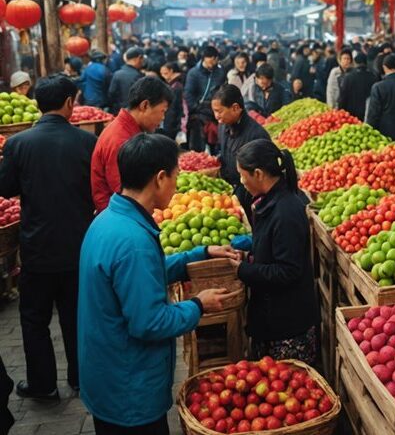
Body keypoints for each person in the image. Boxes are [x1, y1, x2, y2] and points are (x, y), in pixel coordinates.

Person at [79, 134, 239, 435]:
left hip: (106, 377)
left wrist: (199, 254)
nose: (177, 185)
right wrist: (198, 305)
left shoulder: (107, 220)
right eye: (176, 176)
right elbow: (149, 323)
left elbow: (140, 276)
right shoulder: (133, 241)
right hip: (129, 389)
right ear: (160, 177)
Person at [0, 76, 97, 400]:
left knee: (34, 320)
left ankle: (43, 385)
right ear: (70, 102)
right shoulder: (86, 143)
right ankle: (81, 378)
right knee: (75, 317)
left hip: (37, 249)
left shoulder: (18, 144)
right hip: (77, 248)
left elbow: (6, 188)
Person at [229, 139, 319, 364]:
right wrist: (250, 254)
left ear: (258, 174)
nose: (241, 182)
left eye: (243, 175)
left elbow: (287, 271)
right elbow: (273, 251)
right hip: (272, 319)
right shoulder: (268, 201)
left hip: (287, 326)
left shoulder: (286, 211)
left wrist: (244, 270)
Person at [91, 77, 173, 212]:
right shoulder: (120, 139)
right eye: (162, 111)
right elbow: (126, 193)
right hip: (121, 216)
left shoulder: (129, 130)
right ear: (145, 105)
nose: (163, 118)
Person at [212, 85, 269, 217]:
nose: (216, 116)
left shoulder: (257, 136)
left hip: (251, 201)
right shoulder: (223, 127)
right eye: (214, 112)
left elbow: (260, 179)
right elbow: (225, 154)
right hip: (229, 195)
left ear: (236, 108)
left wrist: (237, 197)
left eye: (219, 111)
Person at [184, 47, 225, 152]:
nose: (213, 62)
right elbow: (188, 94)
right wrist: (196, 107)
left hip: (215, 109)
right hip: (199, 110)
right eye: (210, 59)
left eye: (215, 59)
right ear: (203, 58)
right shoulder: (193, 73)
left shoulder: (220, 72)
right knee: (197, 134)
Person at [366, 53, 395, 144]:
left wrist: (369, 133)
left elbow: (373, 114)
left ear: (384, 67)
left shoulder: (378, 87)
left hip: (385, 134)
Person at [339, 53, 377, 121]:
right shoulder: (373, 77)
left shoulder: (348, 77)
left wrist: (340, 112)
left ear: (355, 63)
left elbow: (343, 97)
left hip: (351, 115)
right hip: (367, 114)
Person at [107, 48, 145, 112]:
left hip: (119, 112)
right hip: (134, 113)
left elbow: (111, 94)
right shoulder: (138, 76)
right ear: (139, 58)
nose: (143, 62)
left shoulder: (117, 74)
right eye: (142, 59)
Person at [158, 62, 185, 142]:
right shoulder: (174, 84)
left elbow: (173, 109)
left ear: (171, 71)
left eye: (165, 73)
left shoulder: (176, 86)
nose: (163, 76)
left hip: (174, 123)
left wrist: (169, 127)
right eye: (162, 74)